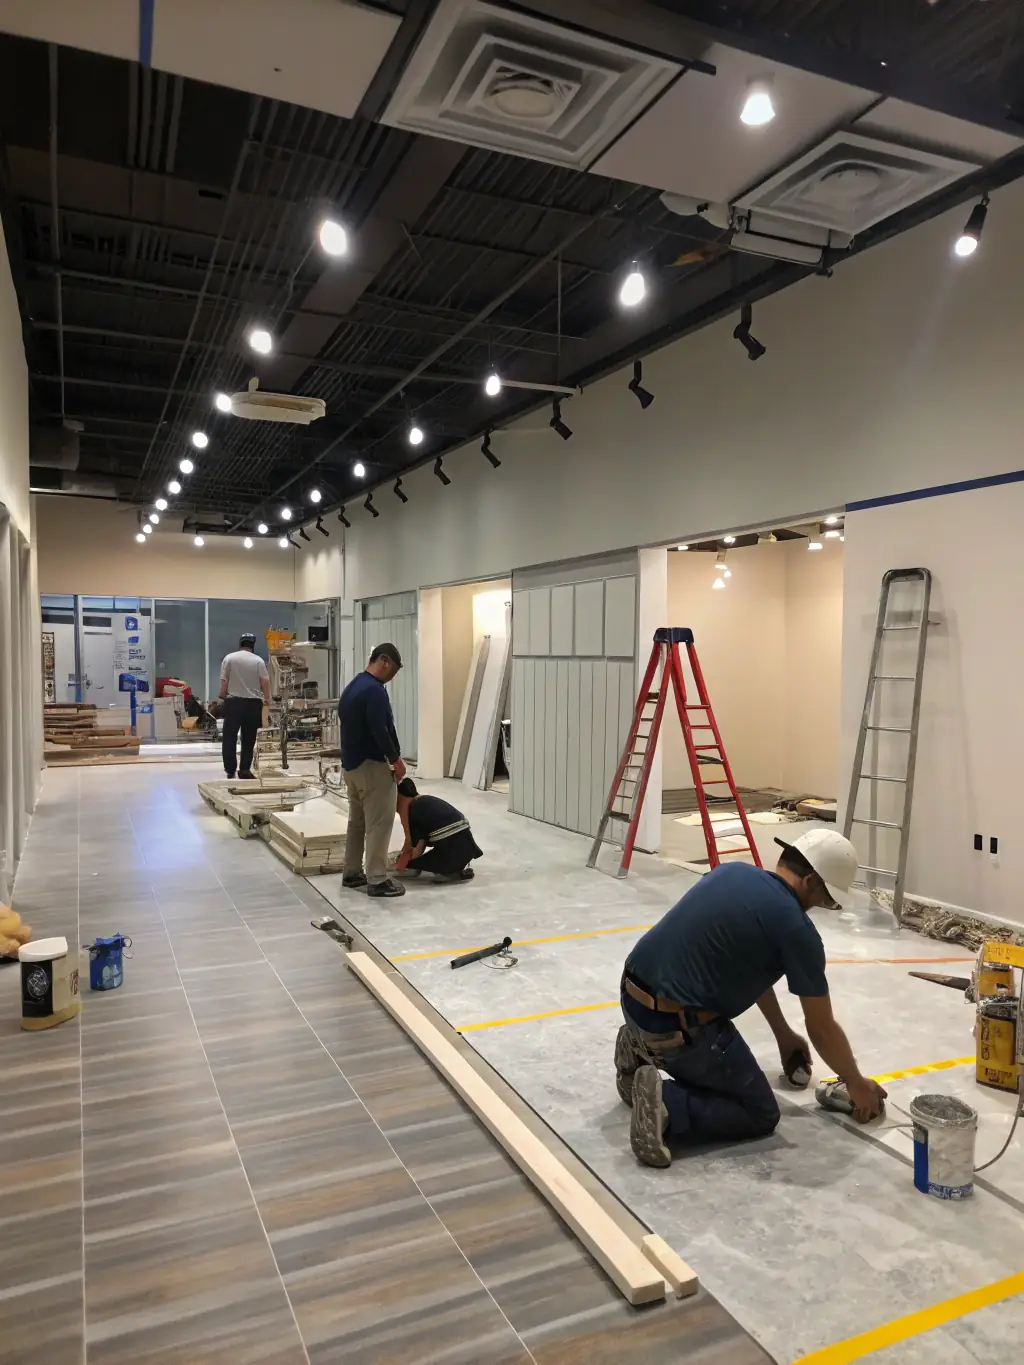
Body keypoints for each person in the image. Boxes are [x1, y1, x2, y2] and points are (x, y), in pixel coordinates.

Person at [616, 829, 887, 1169]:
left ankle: (639, 1047)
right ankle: (667, 1102)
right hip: (677, 1030)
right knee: (758, 1111)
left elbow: (747, 970)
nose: (820, 906)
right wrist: (856, 1083)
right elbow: (821, 1028)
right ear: (811, 882)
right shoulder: (797, 931)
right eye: (826, 897)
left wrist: (783, 1035)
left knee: (681, 1017)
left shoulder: (733, 872)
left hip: (632, 998)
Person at [338, 642, 407, 898]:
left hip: (351, 766)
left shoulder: (353, 686)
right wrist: (395, 760)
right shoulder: (375, 691)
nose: (392, 677)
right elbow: (381, 729)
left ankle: (352, 872)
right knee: (379, 822)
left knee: (357, 822)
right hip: (372, 767)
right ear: (384, 661)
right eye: (394, 671)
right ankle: (377, 879)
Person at [394, 779, 482, 881]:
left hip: (453, 850)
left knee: (416, 865)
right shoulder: (425, 800)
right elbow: (421, 841)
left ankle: (450, 871)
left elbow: (416, 845)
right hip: (466, 847)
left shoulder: (413, 808)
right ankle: (455, 867)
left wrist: (405, 864)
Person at [219, 632, 271, 779]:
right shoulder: (258, 661)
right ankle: (244, 770)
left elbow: (224, 681)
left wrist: (222, 696)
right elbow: (265, 681)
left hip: (233, 702)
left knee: (230, 737)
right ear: (252, 645)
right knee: (249, 738)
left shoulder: (229, 658)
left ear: (240, 644)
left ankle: (230, 769)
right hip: (253, 704)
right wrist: (268, 699)